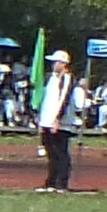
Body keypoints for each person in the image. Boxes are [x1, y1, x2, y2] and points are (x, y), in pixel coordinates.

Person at [35, 46, 77, 191]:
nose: (54, 65)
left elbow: (64, 98)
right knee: (51, 153)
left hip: (60, 122)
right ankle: (51, 181)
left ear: (63, 63)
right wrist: (42, 120)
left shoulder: (67, 78)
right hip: (47, 120)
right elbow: (46, 99)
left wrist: (57, 118)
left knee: (61, 152)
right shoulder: (51, 78)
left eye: (56, 62)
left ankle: (62, 183)